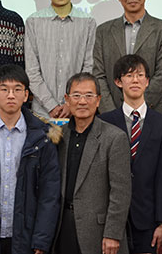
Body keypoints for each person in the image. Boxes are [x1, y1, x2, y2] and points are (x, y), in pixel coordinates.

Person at [0, 64, 60, 254]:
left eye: (17, 89)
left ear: (26, 95)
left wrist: (41, 238)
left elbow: (50, 193)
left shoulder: (42, 137)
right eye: (4, 89)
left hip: (27, 234)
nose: (10, 95)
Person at [100, 55, 162, 254]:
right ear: (118, 81)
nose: (135, 80)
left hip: (147, 218)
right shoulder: (104, 122)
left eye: (140, 75)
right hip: (111, 219)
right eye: (129, 75)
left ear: (148, 81)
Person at [53, 72, 131, 254]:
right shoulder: (58, 136)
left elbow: (121, 192)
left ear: (98, 100)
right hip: (62, 227)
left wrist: (113, 234)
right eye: (77, 96)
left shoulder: (114, 138)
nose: (82, 102)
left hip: (99, 232)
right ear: (67, 99)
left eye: (89, 96)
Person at [92, 0, 162, 114]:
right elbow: (99, 75)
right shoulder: (103, 31)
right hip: (111, 114)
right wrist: (112, 113)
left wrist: (136, 107)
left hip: (151, 112)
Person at [25, 0, 96, 119]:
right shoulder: (34, 21)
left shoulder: (87, 22)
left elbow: (88, 67)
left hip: (77, 110)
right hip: (41, 112)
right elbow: (31, 70)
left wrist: (71, 103)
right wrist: (51, 105)